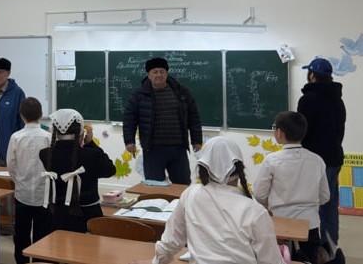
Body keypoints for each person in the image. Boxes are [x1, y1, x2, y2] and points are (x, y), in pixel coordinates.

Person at [132, 136, 285, 264]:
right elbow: (271, 261)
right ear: (240, 169)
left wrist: (155, 261)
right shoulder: (255, 210)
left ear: (203, 167)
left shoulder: (191, 194)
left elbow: (170, 243)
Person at [253, 111, 330, 263]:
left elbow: (259, 194)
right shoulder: (317, 160)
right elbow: (325, 196)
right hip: (310, 224)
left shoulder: (272, 160)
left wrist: (270, 206)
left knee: (279, 259)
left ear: (280, 133)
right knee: (310, 259)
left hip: (279, 223)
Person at [122, 57, 202, 185]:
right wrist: (129, 141)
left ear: (166, 73)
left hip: (178, 148)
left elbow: (194, 117)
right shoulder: (139, 94)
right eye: (155, 72)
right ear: (148, 75)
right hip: (153, 149)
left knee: (182, 185)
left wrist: (196, 140)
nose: (159, 75)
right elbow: (129, 118)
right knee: (154, 186)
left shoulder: (181, 92)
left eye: (162, 71)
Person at [39, 108, 116, 233]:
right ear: (82, 132)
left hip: (57, 218)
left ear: (55, 132)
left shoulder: (45, 154)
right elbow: (110, 170)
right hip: (88, 218)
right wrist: (91, 143)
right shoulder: (92, 155)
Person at [297, 57, 346, 246]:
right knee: (330, 203)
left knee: (314, 204)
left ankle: (318, 248)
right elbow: (339, 131)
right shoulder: (338, 100)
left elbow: (302, 131)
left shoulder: (308, 99)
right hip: (335, 158)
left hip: (315, 161)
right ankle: (331, 246)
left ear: (312, 75)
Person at [6, 97, 52, 264]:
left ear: (21, 116)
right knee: (42, 233)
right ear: (41, 114)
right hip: (43, 194)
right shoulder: (49, 137)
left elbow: (11, 165)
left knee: (22, 233)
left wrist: (18, 179)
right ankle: (39, 261)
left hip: (22, 193)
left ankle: (21, 261)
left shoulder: (16, 137)